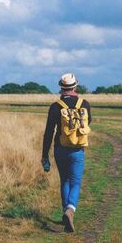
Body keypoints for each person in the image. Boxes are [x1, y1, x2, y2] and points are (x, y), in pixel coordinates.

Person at [41, 73, 92, 233]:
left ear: (61, 88)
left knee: (64, 181)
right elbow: (88, 122)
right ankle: (70, 210)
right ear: (75, 86)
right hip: (77, 149)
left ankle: (66, 212)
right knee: (75, 182)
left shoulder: (55, 106)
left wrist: (44, 155)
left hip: (60, 149)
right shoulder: (85, 104)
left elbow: (49, 132)